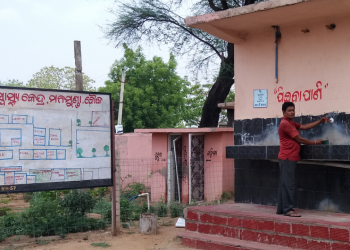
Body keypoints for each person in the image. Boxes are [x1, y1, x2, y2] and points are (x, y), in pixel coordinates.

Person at [277, 102, 326, 217]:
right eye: (289, 110)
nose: (292, 112)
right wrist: (315, 142)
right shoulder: (286, 123)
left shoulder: (290, 122)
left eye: (293, 110)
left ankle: (281, 209)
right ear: (283, 112)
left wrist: (319, 121)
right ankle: (288, 209)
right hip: (288, 157)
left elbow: (304, 127)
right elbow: (299, 139)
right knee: (288, 184)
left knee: (284, 183)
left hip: (288, 157)